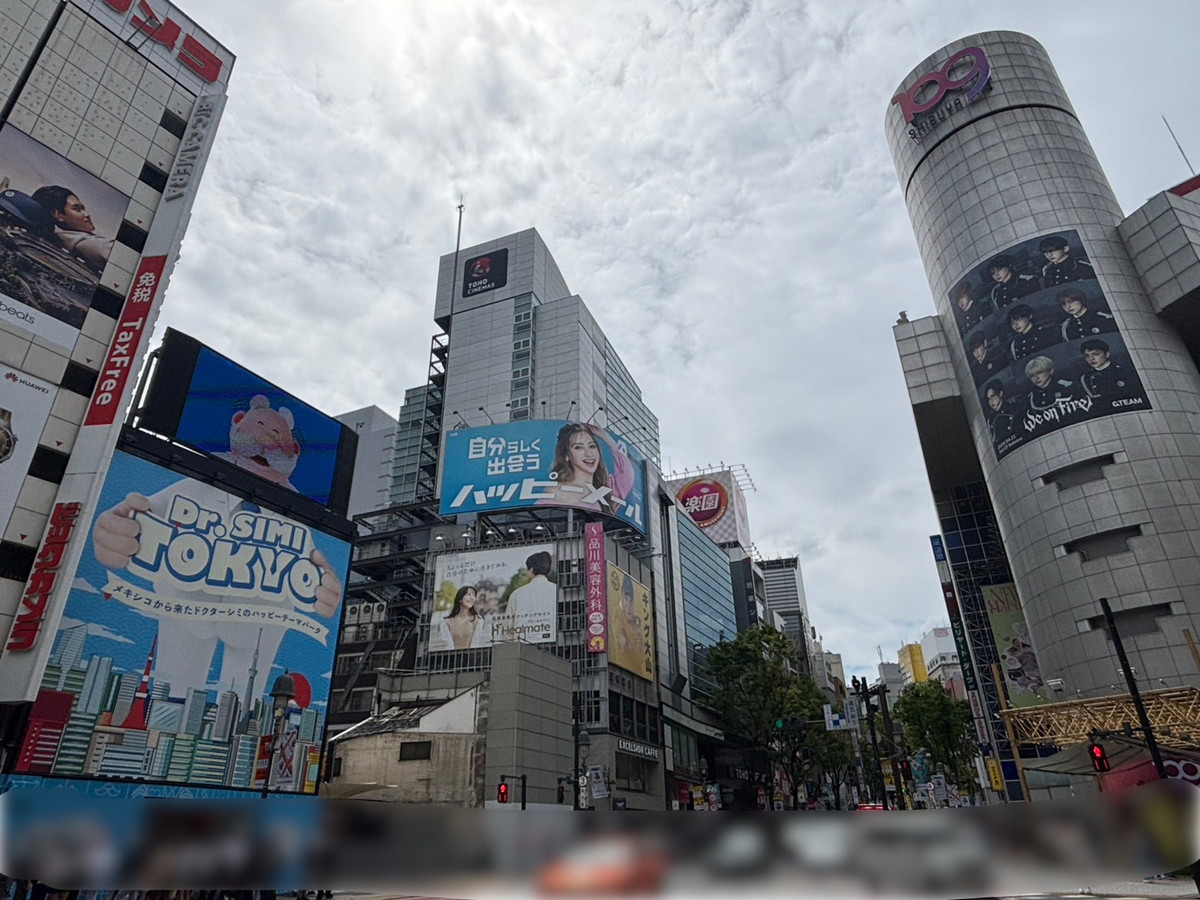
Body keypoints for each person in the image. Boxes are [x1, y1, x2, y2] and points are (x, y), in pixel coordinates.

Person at [541, 423, 634, 516]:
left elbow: (627, 474)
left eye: (592, 446)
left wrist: (603, 435)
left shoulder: (605, 488)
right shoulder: (556, 492)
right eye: (578, 447)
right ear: (566, 455)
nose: (589, 454)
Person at [31, 185, 114, 273]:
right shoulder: (86, 244)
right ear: (57, 214)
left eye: (83, 209)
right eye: (77, 209)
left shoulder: (69, 240)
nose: (86, 214)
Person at [433, 585, 491, 651]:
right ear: (460, 599)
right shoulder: (446, 622)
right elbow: (446, 646)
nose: (472, 598)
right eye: (469, 594)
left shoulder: (478, 620)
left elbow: (477, 644)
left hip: (472, 659)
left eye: (474, 595)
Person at [504, 550, 557, 622]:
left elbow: (508, 625)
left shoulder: (517, 594)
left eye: (527, 569)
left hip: (523, 632)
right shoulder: (556, 589)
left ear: (531, 570)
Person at [983, 380, 1019, 447]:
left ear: (1000, 393)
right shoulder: (990, 420)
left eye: (993, 396)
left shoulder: (1014, 408)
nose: (991, 401)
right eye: (988, 399)